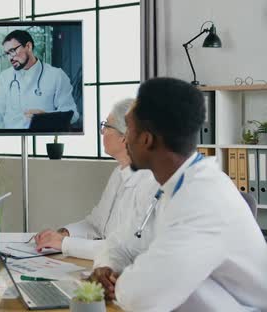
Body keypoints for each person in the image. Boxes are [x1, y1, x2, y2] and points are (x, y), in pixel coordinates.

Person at [90, 77, 267, 311]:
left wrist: (117, 285)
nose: (124, 140)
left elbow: (145, 297)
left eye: (128, 130)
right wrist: (107, 267)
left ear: (146, 139)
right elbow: (118, 243)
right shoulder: (167, 185)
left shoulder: (204, 199)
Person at [33, 99, 158, 260]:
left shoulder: (150, 182)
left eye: (107, 126)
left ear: (125, 137)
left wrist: (64, 243)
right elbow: (96, 224)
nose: (102, 131)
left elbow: (125, 248)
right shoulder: (118, 174)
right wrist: (63, 233)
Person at [0, 30, 79, 129]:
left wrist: (46, 118)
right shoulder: (5, 77)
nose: (10, 57)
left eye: (13, 51)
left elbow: (72, 114)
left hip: (41, 140)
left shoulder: (56, 75)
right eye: (7, 54)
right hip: (12, 142)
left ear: (28, 46)